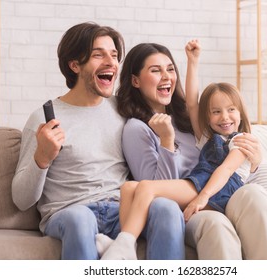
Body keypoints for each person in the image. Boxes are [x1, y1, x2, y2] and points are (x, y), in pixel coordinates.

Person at [11, 22, 186, 260]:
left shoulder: (122, 109)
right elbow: (21, 200)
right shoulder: (44, 119)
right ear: (74, 65)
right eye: (98, 54)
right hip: (70, 212)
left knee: (166, 208)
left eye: (114, 55)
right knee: (81, 219)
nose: (111, 62)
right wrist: (41, 158)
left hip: (120, 209)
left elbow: (173, 102)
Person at [100, 40, 267, 260]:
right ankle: (123, 245)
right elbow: (158, 191)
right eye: (156, 70)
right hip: (187, 206)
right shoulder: (137, 129)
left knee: (255, 194)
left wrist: (254, 162)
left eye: (170, 69)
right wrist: (166, 141)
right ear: (135, 80)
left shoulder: (189, 121)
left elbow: (193, 104)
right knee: (214, 224)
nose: (167, 76)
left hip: (216, 192)